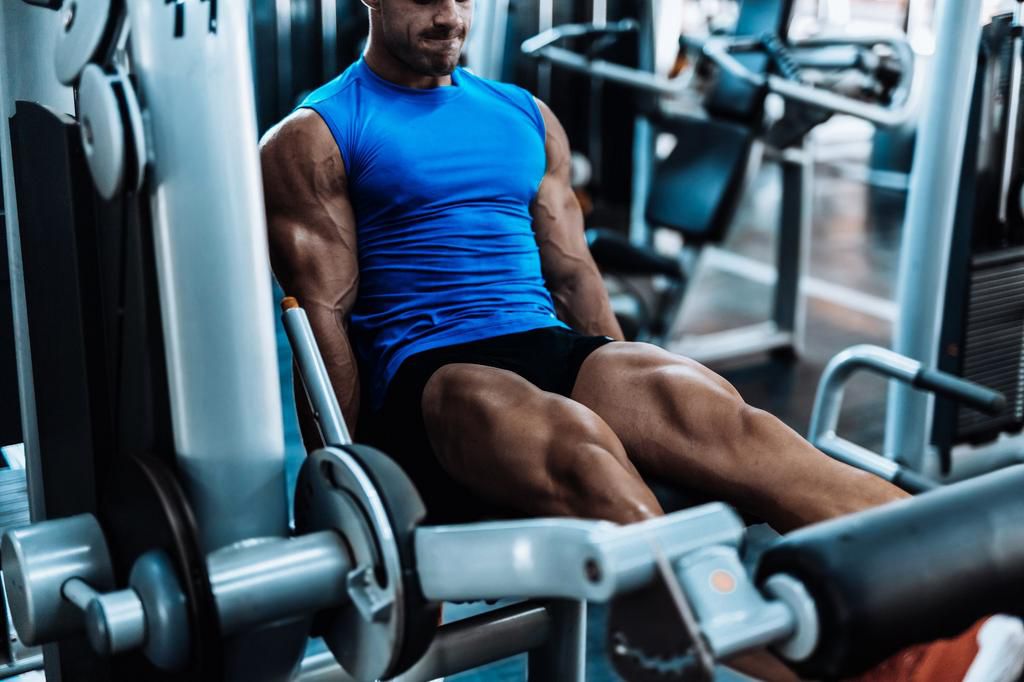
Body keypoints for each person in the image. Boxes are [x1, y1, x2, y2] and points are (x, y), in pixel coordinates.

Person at [259, 1, 1022, 679]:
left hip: (544, 340)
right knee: (570, 439)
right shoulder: (316, 133)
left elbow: (576, 276)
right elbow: (320, 322)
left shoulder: (523, 114)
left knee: (720, 417)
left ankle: (964, 620)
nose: (452, 16)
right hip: (431, 379)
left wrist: (626, 377)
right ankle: (794, 655)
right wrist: (358, 488)